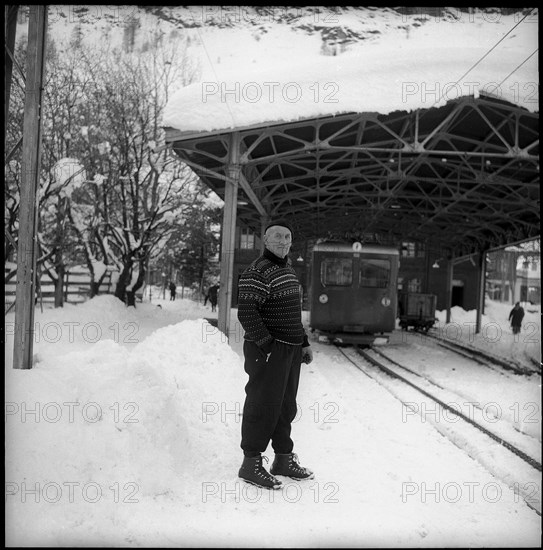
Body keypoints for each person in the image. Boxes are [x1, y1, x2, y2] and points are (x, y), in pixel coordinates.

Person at [236, 220, 314, 490]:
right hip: (268, 350)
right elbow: (247, 313)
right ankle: (251, 463)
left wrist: (303, 342)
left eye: (287, 236)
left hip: (290, 350)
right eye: (277, 237)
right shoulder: (256, 271)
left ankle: (282, 459)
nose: (283, 241)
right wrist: (267, 346)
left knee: (285, 407)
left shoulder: (288, 270)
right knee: (262, 405)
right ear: (266, 242)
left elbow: (294, 313)